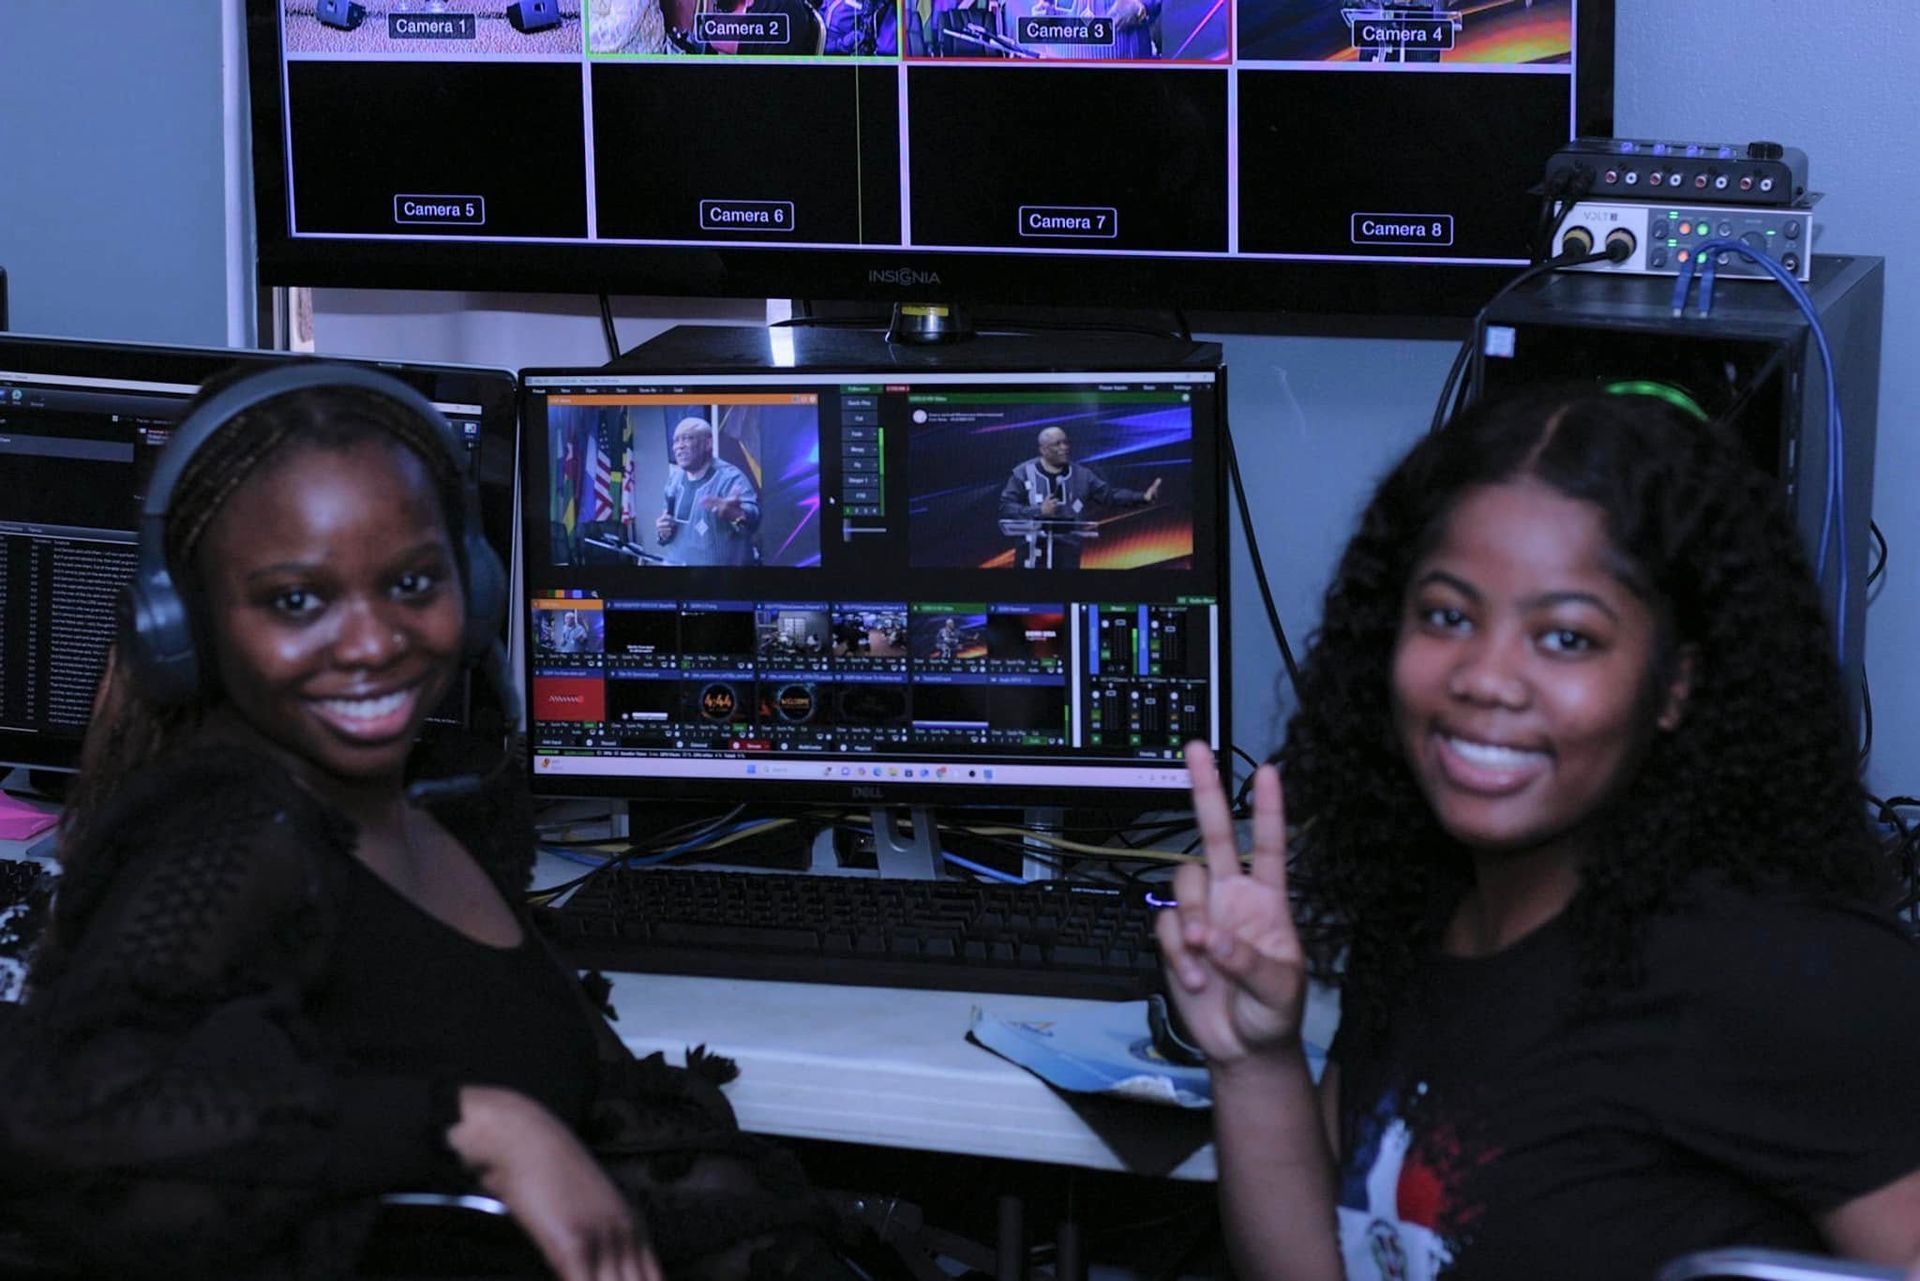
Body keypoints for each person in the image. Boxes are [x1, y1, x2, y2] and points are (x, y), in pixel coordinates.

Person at [0, 369, 845, 1281]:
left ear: (474, 588)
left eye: (412, 581)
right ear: (187, 624)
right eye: (295, 599)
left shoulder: (436, 812)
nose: (372, 641)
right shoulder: (237, 826)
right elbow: (64, 1108)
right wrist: (472, 1126)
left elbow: (624, 1122)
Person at [1157, 387, 1920, 1280]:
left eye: (1565, 637)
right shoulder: (1426, 915)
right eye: (1447, 615)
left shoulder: (1790, 977)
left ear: (1675, 686)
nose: (1486, 676)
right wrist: (1254, 1060)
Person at [997, 426, 1161, 569]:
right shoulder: (1023, 473)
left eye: (1066, 442)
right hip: (1030, 559)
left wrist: (1142, 497)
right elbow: (1006, 507)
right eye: (1057, 444)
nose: (1064, 447)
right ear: (1043, 450)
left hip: (1068, 561)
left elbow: (1110, 496)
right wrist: (1039, 510)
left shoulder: (1082, 475)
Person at [656, 416, 761, 567]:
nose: (679, 446)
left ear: (708, 443)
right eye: (676, 441)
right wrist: (663, 531)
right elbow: (667, 525)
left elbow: (752, 518)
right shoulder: (674, 480)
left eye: (687, 439)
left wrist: (738, 515)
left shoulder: (730, 478)